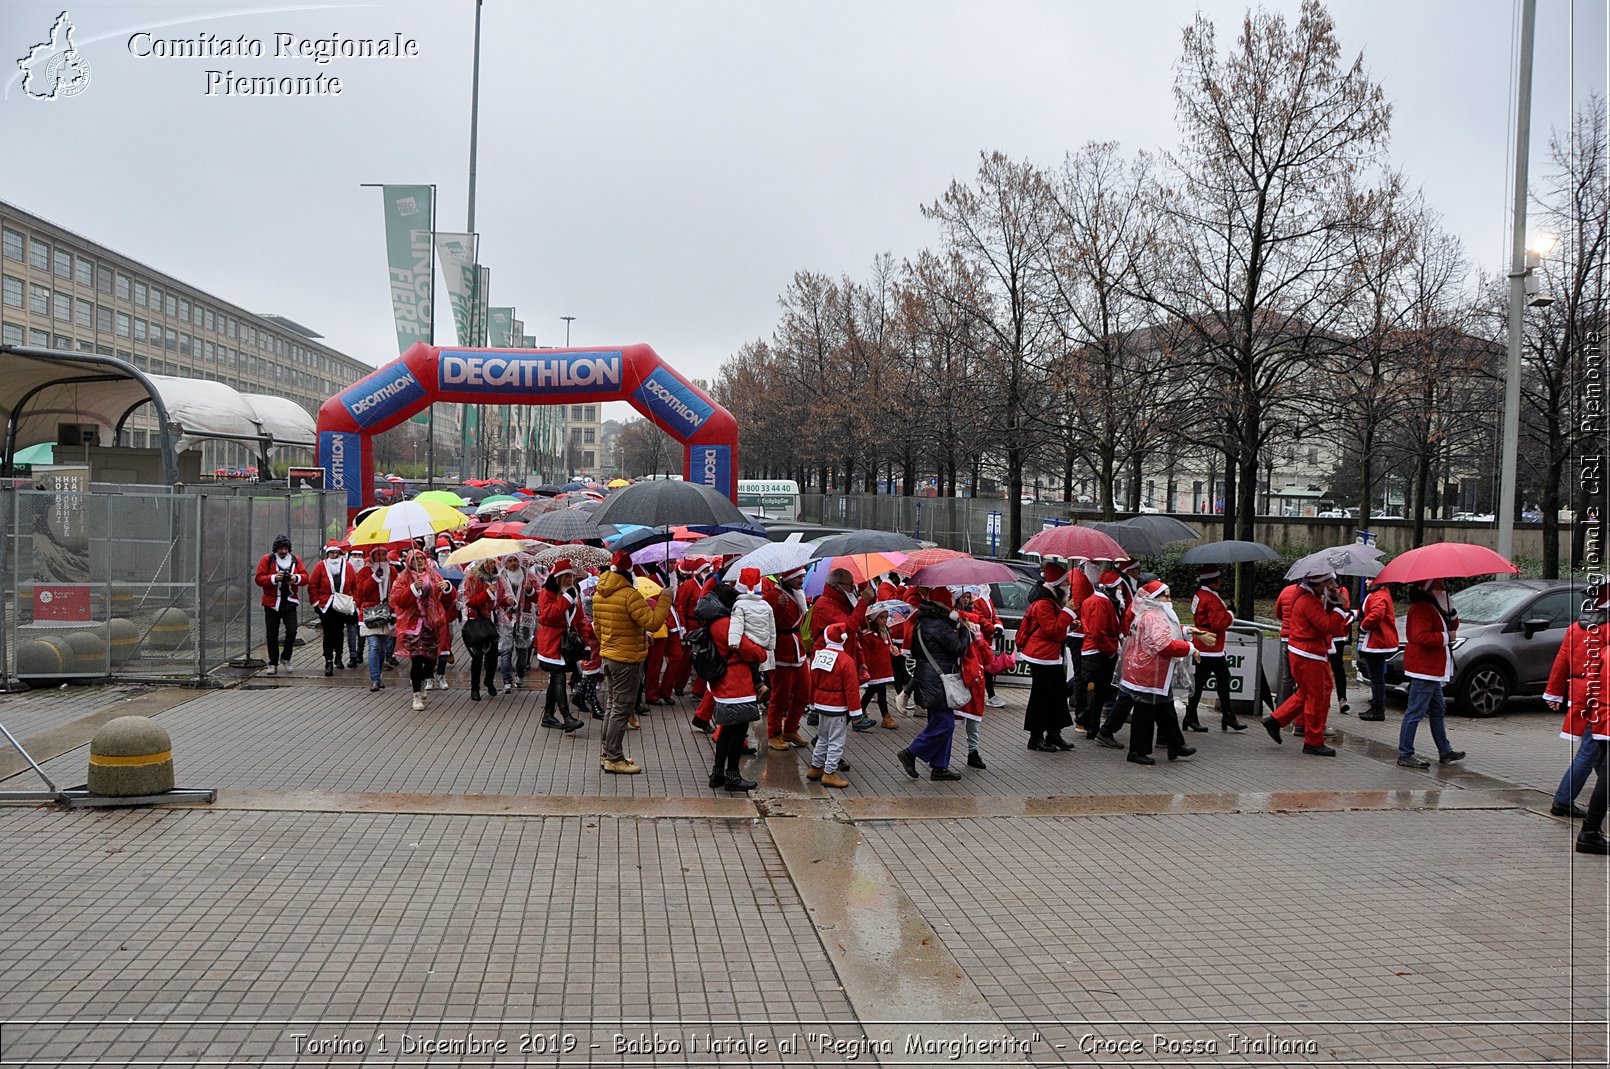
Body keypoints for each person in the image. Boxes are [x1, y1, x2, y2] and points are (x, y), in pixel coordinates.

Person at [591, 550, 671, 775]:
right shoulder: (629, 595)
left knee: (612, 706)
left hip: (609, 655)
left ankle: (608, 753)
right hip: (627, 659)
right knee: (621, 708)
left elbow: (597, 627)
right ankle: (614, 758)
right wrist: (665, 598)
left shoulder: (600, 593)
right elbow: (653, 622)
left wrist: (610, 643)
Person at [1262, 568, 1353, 756]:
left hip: (1304, 652)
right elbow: (1326, 626)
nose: (1332, 586)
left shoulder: (1305, 595)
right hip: (1308, 654)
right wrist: (1340, 607)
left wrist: (1332, 602)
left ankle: (1276, 719)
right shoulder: (1308, 600)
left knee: (1305, 693)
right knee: (1316, 696)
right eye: (1328, 582)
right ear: (1318, 583)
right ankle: (1313, 741)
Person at [1545, 586, 1610, 835]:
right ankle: (1563, 799)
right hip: (1598, 695)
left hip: (1579, 693)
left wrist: (1554, 691)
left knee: (1598, 750)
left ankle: (1600, 794)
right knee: (1591, 750)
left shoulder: (1576, 628)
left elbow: (1562, 660)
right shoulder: (1606, 630)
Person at [1116, 580, 1199, 765]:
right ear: (1155, 597)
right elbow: (1163, 645)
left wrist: (1186, 631)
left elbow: (1167, 633)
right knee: (1145, 713)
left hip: (1152, 673)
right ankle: (1138, 751)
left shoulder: (1151, 613)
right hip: (1150, 673)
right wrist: (1190, 648)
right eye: (1165, 595)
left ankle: (1175, 744)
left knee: (1165, 708)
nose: (1169, 599)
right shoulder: (1154, 616)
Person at [898, 587, 972, 781]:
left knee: (939, 721)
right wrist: (965, 632)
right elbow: (957, 650)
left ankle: (940, 766)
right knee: (946, 724)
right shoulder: (939, 624)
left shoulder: (923, 621)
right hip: (939, 680)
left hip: (927, 678)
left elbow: (916, 651)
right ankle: (911, 752)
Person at [705, 584, 769, 791]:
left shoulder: (713, 621)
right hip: (737, 684)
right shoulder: (725, 623)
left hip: (725, 684)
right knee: (737, 731)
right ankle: (732, 776)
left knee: (727, 732)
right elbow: (747, 649)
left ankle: (718, 774)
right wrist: (761, 653)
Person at [1396, 579, 1466, 769]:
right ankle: (1405, 753)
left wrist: (1450, 610)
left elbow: (1453, 625)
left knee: (1437, 710)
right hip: (1425, 670)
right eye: (1438, 586)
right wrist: (1445, 637)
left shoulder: (1434, 607)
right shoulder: (1421, 608)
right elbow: (1420, 637)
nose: (1443, 589)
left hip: (1432, 670)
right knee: (1415, 712)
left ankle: (1445, 751)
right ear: (1427, 590)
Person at [1014, 561, 1078, 753]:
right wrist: (1068, 613)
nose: (1068, 586)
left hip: (1051, 655)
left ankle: (1053, 733)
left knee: (1057, 695)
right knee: (1041, 697)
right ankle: (1035, 737)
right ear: (1057, 585)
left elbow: (1055, 629)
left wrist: (1068, 622)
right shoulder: (1043, 603)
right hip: (1041, 656)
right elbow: (1052, 631)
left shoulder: (1052, 601)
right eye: (1066, 582)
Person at [1182, 566, 1242, 732]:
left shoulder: (1200, 595)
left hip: (1205, 644)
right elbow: (1218, 624)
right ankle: (1196, 716)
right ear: (1214, 581)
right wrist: (1230, 613)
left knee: (1211, 680)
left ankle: (1220, 715)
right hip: (1211, 645)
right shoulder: (1210, 598)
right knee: (1211, 680)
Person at [389, 549, 451, 711]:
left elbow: (445, 598)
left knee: (431, 659)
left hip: (431, 624)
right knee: (416, 660)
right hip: (412, 626)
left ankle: (423, 680)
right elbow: (397, 601)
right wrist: (412, 589)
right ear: (409, 562)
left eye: (421, 558)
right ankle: (416, 694)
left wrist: (447, 588)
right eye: (415, 559)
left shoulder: (433, 575)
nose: (420, 561)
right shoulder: (403, 578)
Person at [534, 558, 588, 733]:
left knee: (556, 679)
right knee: (558, 678)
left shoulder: (574, 592)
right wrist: (566, 599)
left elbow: (579, 619)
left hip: (566, 644)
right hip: (550, 642)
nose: (569, 580)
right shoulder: (547, 593)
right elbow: (548, 616)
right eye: (565, 576)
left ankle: (548, 715)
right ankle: (566, 717)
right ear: (558, 578)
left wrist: (585, 643)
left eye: (571, 576)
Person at [806, 622, 858, 788]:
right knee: (836, 740)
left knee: (823, 737)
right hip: (837, 707)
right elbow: (852, 690)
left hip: (821, 704)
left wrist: (812, 704)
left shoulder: (818, 656)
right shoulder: (846, 661)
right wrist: (856, 712)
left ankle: (816, 767)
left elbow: (811, 683)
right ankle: (829, 773)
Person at [763, 566, 809, 744]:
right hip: (782, 651)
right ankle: (774, 733)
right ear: (788, 578)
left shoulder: (798, 593)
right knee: (780, 695)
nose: (801, 581)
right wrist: (779, 607)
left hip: (798, 650)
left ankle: (791, 728)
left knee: (804, 692)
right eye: (798, 577)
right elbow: (770, 623)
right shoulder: (773, 597)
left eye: (802, 577)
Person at [1081, 569, 1125, 741]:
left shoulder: (1098, 600)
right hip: (1099, 653)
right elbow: (1099, 632)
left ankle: (1088, 720)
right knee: (1101, 692)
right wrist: (1112, 651)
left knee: (1101, 691)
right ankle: (1092, 726)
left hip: (1098, 650)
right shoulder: (1101, 603)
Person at [255, 533, 308, 675]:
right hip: (272, 602)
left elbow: (305, 577)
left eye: (286, 549)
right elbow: (259, 579)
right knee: (272, 634)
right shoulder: (267, 560)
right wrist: (273, 578)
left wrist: (295, 578)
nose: (283, 551)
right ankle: (272, 663)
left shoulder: (296, 560)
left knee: (292, 631)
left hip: (290, 602)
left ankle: (286, 657)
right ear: (276, 549)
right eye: (281, 549)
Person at [307, 541, 358, 677]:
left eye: (336, 552)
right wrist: (316, 603)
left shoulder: (347, 566)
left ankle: (339, 656)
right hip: (326, 605)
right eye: (332, 553)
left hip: (341, 604)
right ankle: (328, 661)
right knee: (328, 634)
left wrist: (354, 601)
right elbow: (313, 585)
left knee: (339, 632)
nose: (334, 555)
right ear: (327, 553)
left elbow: (354, 585)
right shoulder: (320, 567)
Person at [728, 567, 777, 704]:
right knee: (761, 668)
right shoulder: (766, 605)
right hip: (762, 642)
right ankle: (764, 690)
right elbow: (771, 626)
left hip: (749, 642)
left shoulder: (739, 605)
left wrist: (734, 642)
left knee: (750, 669)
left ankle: (759, 687)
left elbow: (736, 625)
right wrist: (771, 645)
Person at [1356, 579, 1399, 722]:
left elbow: (1377, 614)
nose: (1367, 582)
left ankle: (1378, 709)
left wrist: (1363, 626)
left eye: (1370, 579)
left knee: (1376, 677)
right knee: (1376, 676)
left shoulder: (1380, 595)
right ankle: (1376, 704)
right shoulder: (1379, 593)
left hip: (1377, 643)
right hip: (1376, 642)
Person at [355, 546, 396, 692]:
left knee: (382, 648)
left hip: (387, 613)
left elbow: (397, 591)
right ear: (372, 556)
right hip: (370, 613)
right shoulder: (365, 571)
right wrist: (375, 578)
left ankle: (378, 676)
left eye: (383, 554)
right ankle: (375, 679)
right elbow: (362, 592)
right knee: (373, 645)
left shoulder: (392, 571)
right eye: (377, 554)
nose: (381, 557)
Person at [460, 558, 502, 701]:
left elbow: (503, 597)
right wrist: (487, 593)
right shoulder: (472, 579)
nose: (491, 565)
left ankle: (489, 681)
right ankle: (475, 688)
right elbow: (469, 601)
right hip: (478, 622)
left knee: (493, 656)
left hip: (493, 622)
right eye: (488, 562)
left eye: (493, 562)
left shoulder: (498, 579)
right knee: (477, 657)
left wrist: (508, 600)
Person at [497, 553, 537, 691]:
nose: (513, 563)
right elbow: (495, 598)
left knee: (522, 649)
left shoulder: (528, 576)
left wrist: (530, 590)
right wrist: (504, 601)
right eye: (510, 561)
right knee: (506, 650)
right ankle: (507, 680)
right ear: (505, 563)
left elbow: (538, 596)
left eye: (515, 560)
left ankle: (520, 675)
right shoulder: (499, 577)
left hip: (524, 617)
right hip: (506, 617)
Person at [857, 603, 897, 731]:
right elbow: (867, 654)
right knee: (879, 692)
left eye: (886, 617)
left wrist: (892, 649)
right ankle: (885, 717)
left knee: (873, 691)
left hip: (883, 669)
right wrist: (865, 669)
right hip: (875, 669)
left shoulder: (885, 633)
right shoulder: (869, 635)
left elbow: (884, 649)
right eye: (881, 617)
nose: (885, 620)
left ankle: (860, 712)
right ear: (874, 619)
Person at [345, 545, 367, 668]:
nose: (357, 558)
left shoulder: (366, 571)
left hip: (363, 606)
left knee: (362, 633)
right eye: (355, 555)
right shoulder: (346, 570)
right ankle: (353, 656)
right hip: (350, 605)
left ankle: (360, 653)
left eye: (360, 556)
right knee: (351, 631)